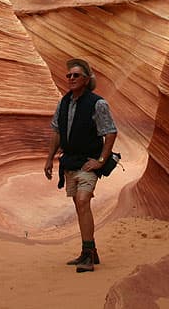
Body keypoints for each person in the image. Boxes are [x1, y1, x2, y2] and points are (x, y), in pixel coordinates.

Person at [44, 58, 118, 273]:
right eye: (69, 75)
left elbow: (111, 132)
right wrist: (49, 159)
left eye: (76, 75)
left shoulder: (98, 104)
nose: (71, 78)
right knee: (79, 204)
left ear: (86, 80)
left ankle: (87, 254)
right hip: (70, 162)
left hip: (88, 163)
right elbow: (57, 131)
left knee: (83, 201)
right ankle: (90, 250)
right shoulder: (64, 102)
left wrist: (101, 161)